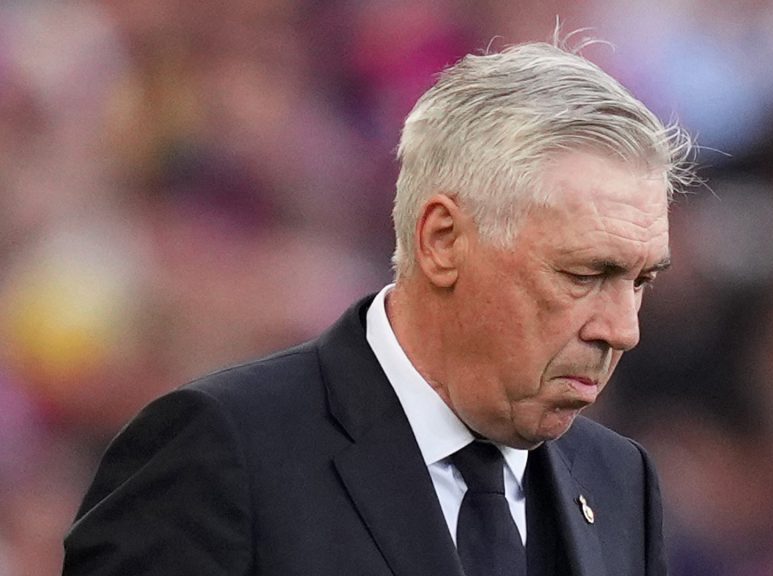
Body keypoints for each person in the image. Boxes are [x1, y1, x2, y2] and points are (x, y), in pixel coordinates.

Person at [63, 35, 693, 576]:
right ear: (443, 240)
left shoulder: (619, 481)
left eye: (641, 281)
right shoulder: (221, 454)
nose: (624, 329)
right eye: (585, 274)